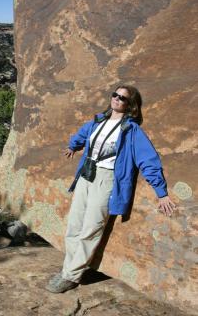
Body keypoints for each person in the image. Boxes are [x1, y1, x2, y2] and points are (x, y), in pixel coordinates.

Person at [46, 85, 176, 294]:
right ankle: (67, 269)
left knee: (91, 227)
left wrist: (161, 192)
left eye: (123, 98)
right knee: (74, 225)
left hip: (107, 180)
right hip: (86, 176)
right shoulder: (98, 121)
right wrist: (74, 145)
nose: (117, 99)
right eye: (115, 95)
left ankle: (70, 276)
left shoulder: (131, 130)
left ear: (129, 105)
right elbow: (83, 134)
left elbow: (147, 159)